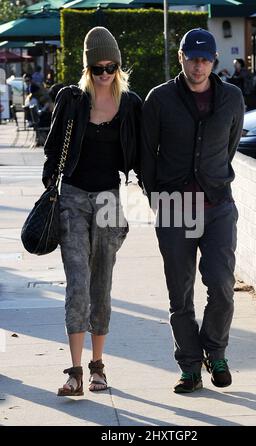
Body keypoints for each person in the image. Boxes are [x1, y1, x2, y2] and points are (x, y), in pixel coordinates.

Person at [141, 28, 244, 393]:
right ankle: (189, 366)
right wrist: (156, 197)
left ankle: (215, 352)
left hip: (218, 207)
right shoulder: (160, 99)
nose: (198, 66)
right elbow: (146, 155)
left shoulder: (232, 98)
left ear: (214, 61)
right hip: (173, 208)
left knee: (221, 286)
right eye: (192, 58)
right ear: (181, 57)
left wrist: (210, 181)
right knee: (179, 295)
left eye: (205, 59)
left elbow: (228, 147)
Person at [42, 26, 142, 396]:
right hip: (72, 197)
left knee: (102, 285)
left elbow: (144, 154)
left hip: (108, 203)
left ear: (118, 66)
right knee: (78, 285)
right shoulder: (72, 100)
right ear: (87, 68)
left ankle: (98, 367)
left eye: (110, 67)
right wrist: (50, 187)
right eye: (97, 68)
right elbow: (52, 150)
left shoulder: (131, 105)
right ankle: (74, 372)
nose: (104, 74)